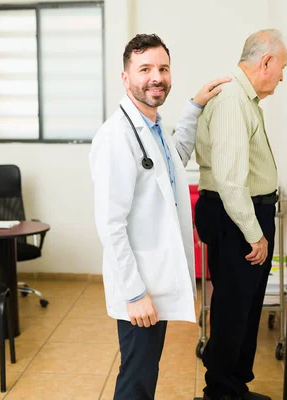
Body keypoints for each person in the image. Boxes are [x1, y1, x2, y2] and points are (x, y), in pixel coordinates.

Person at [89, 33, 229, 400]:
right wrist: (134, 293)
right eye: (145, 69)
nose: (156, 77)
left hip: (153, 280)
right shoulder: (116, 137)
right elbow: (110, 224)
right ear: (126, 78)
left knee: (144, 371)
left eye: (163, 69)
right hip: (139, 286)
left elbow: (176, 158)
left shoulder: (152, 129)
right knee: (136, 378)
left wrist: (195, 106)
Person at [194, 29, 287, 400]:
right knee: (235, 308)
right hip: (235, 217)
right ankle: (221, 391)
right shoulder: (233, 99)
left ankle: (233, 385)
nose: (282, 77)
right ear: (266, 62)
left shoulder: (243, 99)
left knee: (243, 306)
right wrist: (255, 234)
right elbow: (231, 180)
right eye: (282, 67)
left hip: (238, 215)